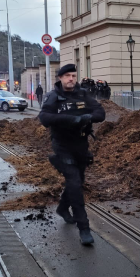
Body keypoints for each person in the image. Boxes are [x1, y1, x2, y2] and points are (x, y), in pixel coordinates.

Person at [39, 64, 105, 245]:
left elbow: (100, 112)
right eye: (67, 75)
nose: (71, 79)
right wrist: (71, 119)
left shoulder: (83, 94)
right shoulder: (53, 97)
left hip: (81, 145)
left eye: (74, 76)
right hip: (62, 145)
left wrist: (88, 118)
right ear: (60, 77)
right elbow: (44, 118)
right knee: (75, 183)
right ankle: (84, 228)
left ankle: (62, 208)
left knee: (78, 180)